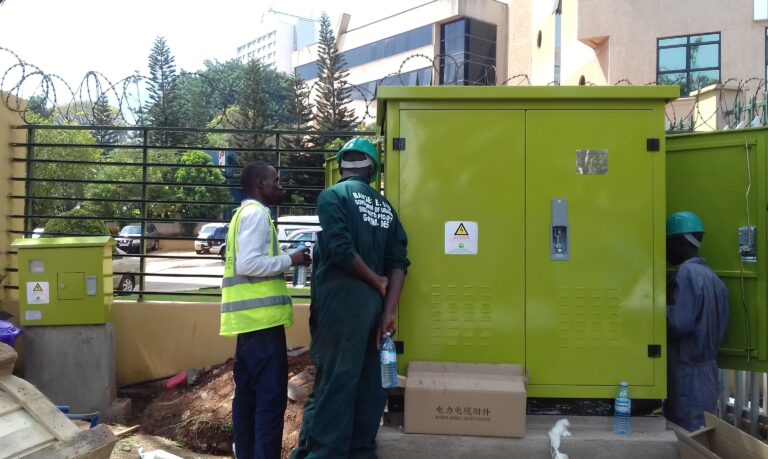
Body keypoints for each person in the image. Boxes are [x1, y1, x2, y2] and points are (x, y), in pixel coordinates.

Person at [292, 138, 409, 458]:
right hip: (376, 313)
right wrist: (389, 312)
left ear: (341, 167)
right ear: (373, 171)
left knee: (335, 385)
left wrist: (374, 279)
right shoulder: (387, 210)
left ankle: (324, 454)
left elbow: (341, 250)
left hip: (340, 309)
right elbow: (398, 263)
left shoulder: (332, 196)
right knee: (369, 389)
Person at [220, 161, 311, 459]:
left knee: (247, 401)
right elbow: (249, 264)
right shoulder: (257, 214)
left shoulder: (242, 215)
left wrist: (284, 257)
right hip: (262, 326)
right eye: (276, 181)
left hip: (248, 326)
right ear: (260, 184)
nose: (280, 187)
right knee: (270, 403)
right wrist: (291, 260)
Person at [665, 211, 729, 432]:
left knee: (684, 438)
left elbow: (677, 323)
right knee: (700, 434)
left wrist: (649, 313)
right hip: (707, 375)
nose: (665, 250)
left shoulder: (686, 273)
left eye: (667, 243)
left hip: (686, 375)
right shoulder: (713, 279)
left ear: (680, 242)